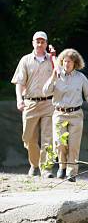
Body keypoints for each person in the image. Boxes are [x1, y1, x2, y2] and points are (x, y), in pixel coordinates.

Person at [43, 48, 88, 181]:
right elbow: (45, 92)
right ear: (61, 62)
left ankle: (71, 172)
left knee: (74, 145)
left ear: (75, 63)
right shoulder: (56, 76)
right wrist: (52, 77)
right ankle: (62, 167)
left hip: (76, 114)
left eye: (70, 61)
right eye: (65, 61)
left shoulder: (81, 78)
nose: (67, 64)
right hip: (59, 113)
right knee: (59, 143)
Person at [11, 31, 55, 178]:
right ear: (33, 43)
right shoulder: (25, 60)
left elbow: (61, 77)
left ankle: (46, 169)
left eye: (43, 41)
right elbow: (19, 83)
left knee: (48, 138)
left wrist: (55, 57)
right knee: (29, 138)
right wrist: (19, 99)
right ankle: (34, 164)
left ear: (46, 43)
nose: (40, 43)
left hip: (49, 103)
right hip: (30, 103)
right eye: (37, 41)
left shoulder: (52, 60)